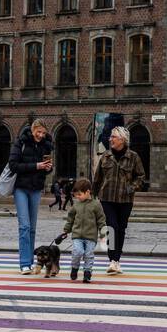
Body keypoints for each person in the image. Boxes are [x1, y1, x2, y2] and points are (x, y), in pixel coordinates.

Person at [92, 125, 145, 275]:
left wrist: (131, 187)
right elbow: (97, 178)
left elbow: (141, 177)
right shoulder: (105, 156)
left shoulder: (133, 157)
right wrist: (92, 197)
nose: (110, 139)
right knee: (112, 227)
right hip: (107, 198)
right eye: (110, 137)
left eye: (113, 137)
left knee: (121, 229)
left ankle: (116, 261)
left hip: (125, 200)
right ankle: (112, 260)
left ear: (122, 139)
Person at [8, 119, 53, 275]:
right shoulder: (21, 142)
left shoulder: (46, 144)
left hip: (36, 189)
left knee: (32, 228)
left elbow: (46, 169)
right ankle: (24, 264)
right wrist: (36, 166)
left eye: (43, 133)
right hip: (20, 188)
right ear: (32, 130)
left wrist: (47, 168)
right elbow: (13, 165)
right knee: (25, 226)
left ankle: (32, 262)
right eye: (38, 132)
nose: (40, 135)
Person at [57, 178, 105, 283]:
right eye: (76, 195)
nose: (77, 197)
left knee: (89, 254)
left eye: (79, 194)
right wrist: (66, 230)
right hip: (77, 235)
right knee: (77, 252)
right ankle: (74, 268)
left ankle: (87, 272)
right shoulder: (76, 205)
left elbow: (101, 219)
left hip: (91, 236)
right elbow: (70, 218)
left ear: (88, 192)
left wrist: (103, 233)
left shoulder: (96, 205)